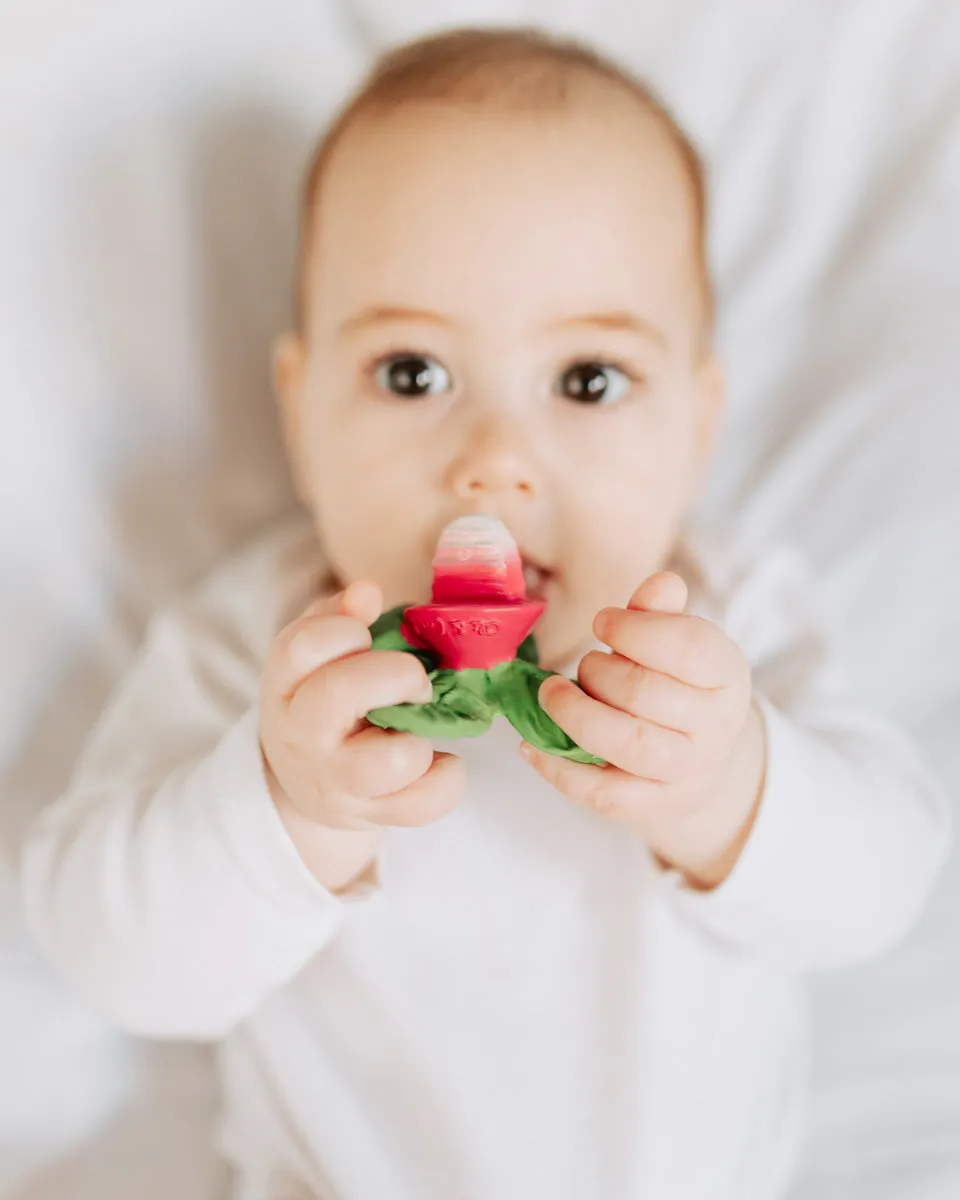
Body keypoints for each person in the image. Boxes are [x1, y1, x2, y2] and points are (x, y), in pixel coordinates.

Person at [20, 27, 949, 1200]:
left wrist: (733, 792)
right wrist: (280, 808)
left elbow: (884, 891)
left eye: (589, 380)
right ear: (302, 417)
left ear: (698, 426)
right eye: (412, 373)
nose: (497, 461)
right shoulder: (267, 647)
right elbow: (110, 964)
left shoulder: (726, 626)